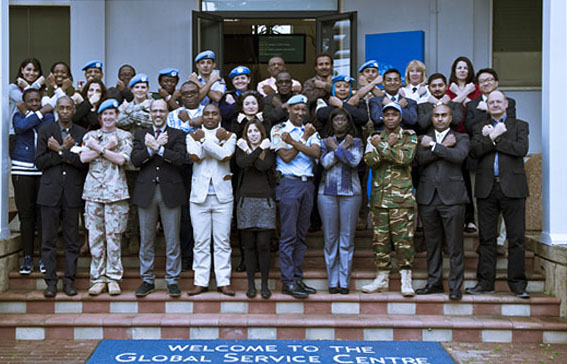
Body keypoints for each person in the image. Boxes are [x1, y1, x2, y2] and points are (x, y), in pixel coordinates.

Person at [466, 90, 530, 299]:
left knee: (517, 239)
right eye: (491, 101)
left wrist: (495, 138)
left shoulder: (520, 125)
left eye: (498, 101)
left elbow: (520, 149)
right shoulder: (478, 127)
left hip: (513, 188)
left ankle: (518, 284)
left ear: (506, 104)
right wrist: (491, 137)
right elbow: (475, 151)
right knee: (486, 238)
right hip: (487, 188)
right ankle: (485, 283)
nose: (494, 104)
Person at [361, 102, 417, 297]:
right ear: (382, 118)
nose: (390, 118)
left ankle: (406, 278)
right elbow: (369, 161)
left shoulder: (409, 136)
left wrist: (383, 147)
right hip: (379, 198)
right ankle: (382, 277)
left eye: (394, 115)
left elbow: (405, 158)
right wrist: (387, 146)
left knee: (404, 241)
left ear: (400, 117)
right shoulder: (373, 137)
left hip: (401, 199)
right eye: (387, 115)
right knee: (380, 241)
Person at [131, 99, 186, 297]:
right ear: (150, 113)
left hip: (170, 191)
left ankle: (172, 280)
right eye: (154, 111)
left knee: (172, 239)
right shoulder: (140, 134)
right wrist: (151, 148)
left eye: (161, 111)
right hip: (146, 192)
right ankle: (147, 279)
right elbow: (135, 160)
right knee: (146, 239)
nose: (158, 114)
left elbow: (181, 159)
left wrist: (161, 149)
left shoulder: (177, 134)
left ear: (167, 113)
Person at [415, 104, 469, 300]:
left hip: (453, 198)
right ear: (432, 118)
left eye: (443, 115)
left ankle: (455, 286)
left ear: (450, 118)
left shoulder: (461, 137)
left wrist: (434, 147)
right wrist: (440, 146)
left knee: (455, 246)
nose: (439, 118)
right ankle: (434, 283)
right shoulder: (423, 139)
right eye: (436, 115)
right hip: (428, 197)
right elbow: (419, 159)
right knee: (432, 244)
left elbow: (459, 157)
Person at [35, 96, 87, 297]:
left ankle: (69, 281)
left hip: (73, 193)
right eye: (61, 108)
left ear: (74, 110)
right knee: (47, 240)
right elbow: (39, 162)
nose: (65, 111)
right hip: (49, 193)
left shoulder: (81, 133)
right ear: (56, 110)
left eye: (69, 108)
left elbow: (82, 162)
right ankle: (50, 282)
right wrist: (62, 152)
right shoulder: (46, 131)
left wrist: (59, 150)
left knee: (72, 240)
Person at [80, 99, 133, 296]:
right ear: (100, 117)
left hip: (116, 193)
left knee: (113, 237)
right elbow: (83, 158)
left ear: (117, 116)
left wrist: (100, 149)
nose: (109, 117)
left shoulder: (124, 136)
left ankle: (113, 278)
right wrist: (105, 147)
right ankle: (98, 278)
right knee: (95, 237)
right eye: (105, 114)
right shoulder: (91, 135)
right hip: (93, 193)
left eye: (112, 113)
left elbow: (121, 159)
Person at [270, 94, 321, 299]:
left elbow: (316, 153)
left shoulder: (309, 129)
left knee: (301, 236)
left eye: (303, 109)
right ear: (288, 110)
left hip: (307, 185)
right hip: (289, 184)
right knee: (288, 236)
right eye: (296, 109)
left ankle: (297, 279)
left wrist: (295, 141)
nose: (300, 113)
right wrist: (300, 140)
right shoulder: (278, 130)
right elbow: (287, 156)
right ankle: (287, 281)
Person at [186, 104, 237, 296]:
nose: (209, 117)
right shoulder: (191, 136)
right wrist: (216, 143)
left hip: (222, 195)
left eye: (214, 113)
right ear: (201, 117)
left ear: (219, 116)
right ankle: (201, 281)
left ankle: (223, 281)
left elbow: (224, 156)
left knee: (222, 241)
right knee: (200, 241)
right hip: (199, 196)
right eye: (206, 114)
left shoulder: (230, 136)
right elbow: (196, 156)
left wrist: (206, 142)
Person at [318, 108, 363, 294]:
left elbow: (354, 162)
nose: (340, 123)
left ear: (348, 122)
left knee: (347, 238)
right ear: (331, 122)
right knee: (330, 238)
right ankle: (332, 280)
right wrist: (342, 148)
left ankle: (344, 281)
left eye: (343, 120)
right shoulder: (322, 142)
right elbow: (325, 163)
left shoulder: (357, 142)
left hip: (351, 193)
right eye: (336, 119)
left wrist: (337, 148)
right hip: (326, 193)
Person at [12, 88, 55, 275]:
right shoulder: (17, 116)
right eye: (30, 101)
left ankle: (44, 258)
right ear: (24, 102)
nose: (35, 103)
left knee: (42, 214)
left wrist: (31, 114)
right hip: (21, 168)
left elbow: (43, 130)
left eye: (38, 100)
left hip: (42, 170)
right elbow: (22, 127)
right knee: (26, 215)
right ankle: (28, 257)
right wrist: (40, 112)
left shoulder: (48, 118)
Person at [235, 120, 276, 299]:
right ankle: (251, 284)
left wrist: (254, 150)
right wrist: (253, 150)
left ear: (261, 132)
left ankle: (265, 284)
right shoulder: (241, 148)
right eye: (249, 131)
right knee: (249, 245)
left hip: (265, 200)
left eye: (256, 131)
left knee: (263, 244)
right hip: (246, 200)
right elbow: (243, 164)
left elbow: (262, 166)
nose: (253, 134)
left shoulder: (269, 149)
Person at [167, 80, 204, 271]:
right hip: (179, 169)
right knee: (183, 215)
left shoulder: (209, 112)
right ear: (180, 96)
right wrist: (193, 127)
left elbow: (209, 136)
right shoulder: (172, 115)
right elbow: (174, 139)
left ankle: (202, 258)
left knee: (201, 213)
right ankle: (186, 255)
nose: (190, 97)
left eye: (193, 93)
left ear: (199, 94)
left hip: (203, 169)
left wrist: (187, 123)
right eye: (186, 94)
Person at [116, 73, 152, 255]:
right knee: (129, 202)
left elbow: (151, 121)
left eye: (143, 87)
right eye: (136, 87)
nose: (140, 90)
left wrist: (130, 114)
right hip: (129, 163)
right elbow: (118, 122)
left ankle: (144, 237)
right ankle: (131, 236)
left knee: (146, 202)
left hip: (148, 160)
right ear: (131, 90)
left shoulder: (153, 105)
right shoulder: (126, 107)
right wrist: (135, 112)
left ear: (148, 89)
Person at [465, 68, 516, 135]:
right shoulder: (471, 105)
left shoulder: (509, 102)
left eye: (489, 80)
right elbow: (469, 128)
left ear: (496, 83)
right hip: (481, 141)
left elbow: (510, 123)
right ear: (478, 86)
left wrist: (488, 109)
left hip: (505, 140)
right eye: (482, 81)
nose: (486, 83)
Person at [9, 58, 45, 130]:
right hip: (17, 130)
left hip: (37, 129)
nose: (31, 73)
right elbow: (26, 100)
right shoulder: (12, 88)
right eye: (28, 69)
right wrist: (36, 85)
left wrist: (27, 87)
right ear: (22, 70)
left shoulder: (43, 90)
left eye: (35, 70)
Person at [303, 53, 333, 123]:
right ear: (316, 67)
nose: (324, 67)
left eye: (327, 64)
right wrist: (325, 89)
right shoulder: (310, 83)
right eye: (321, 64)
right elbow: (308, 99)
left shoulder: (339, 81)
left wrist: (325, 85)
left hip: (336, 121)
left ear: (331, 66)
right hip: (317, 123)